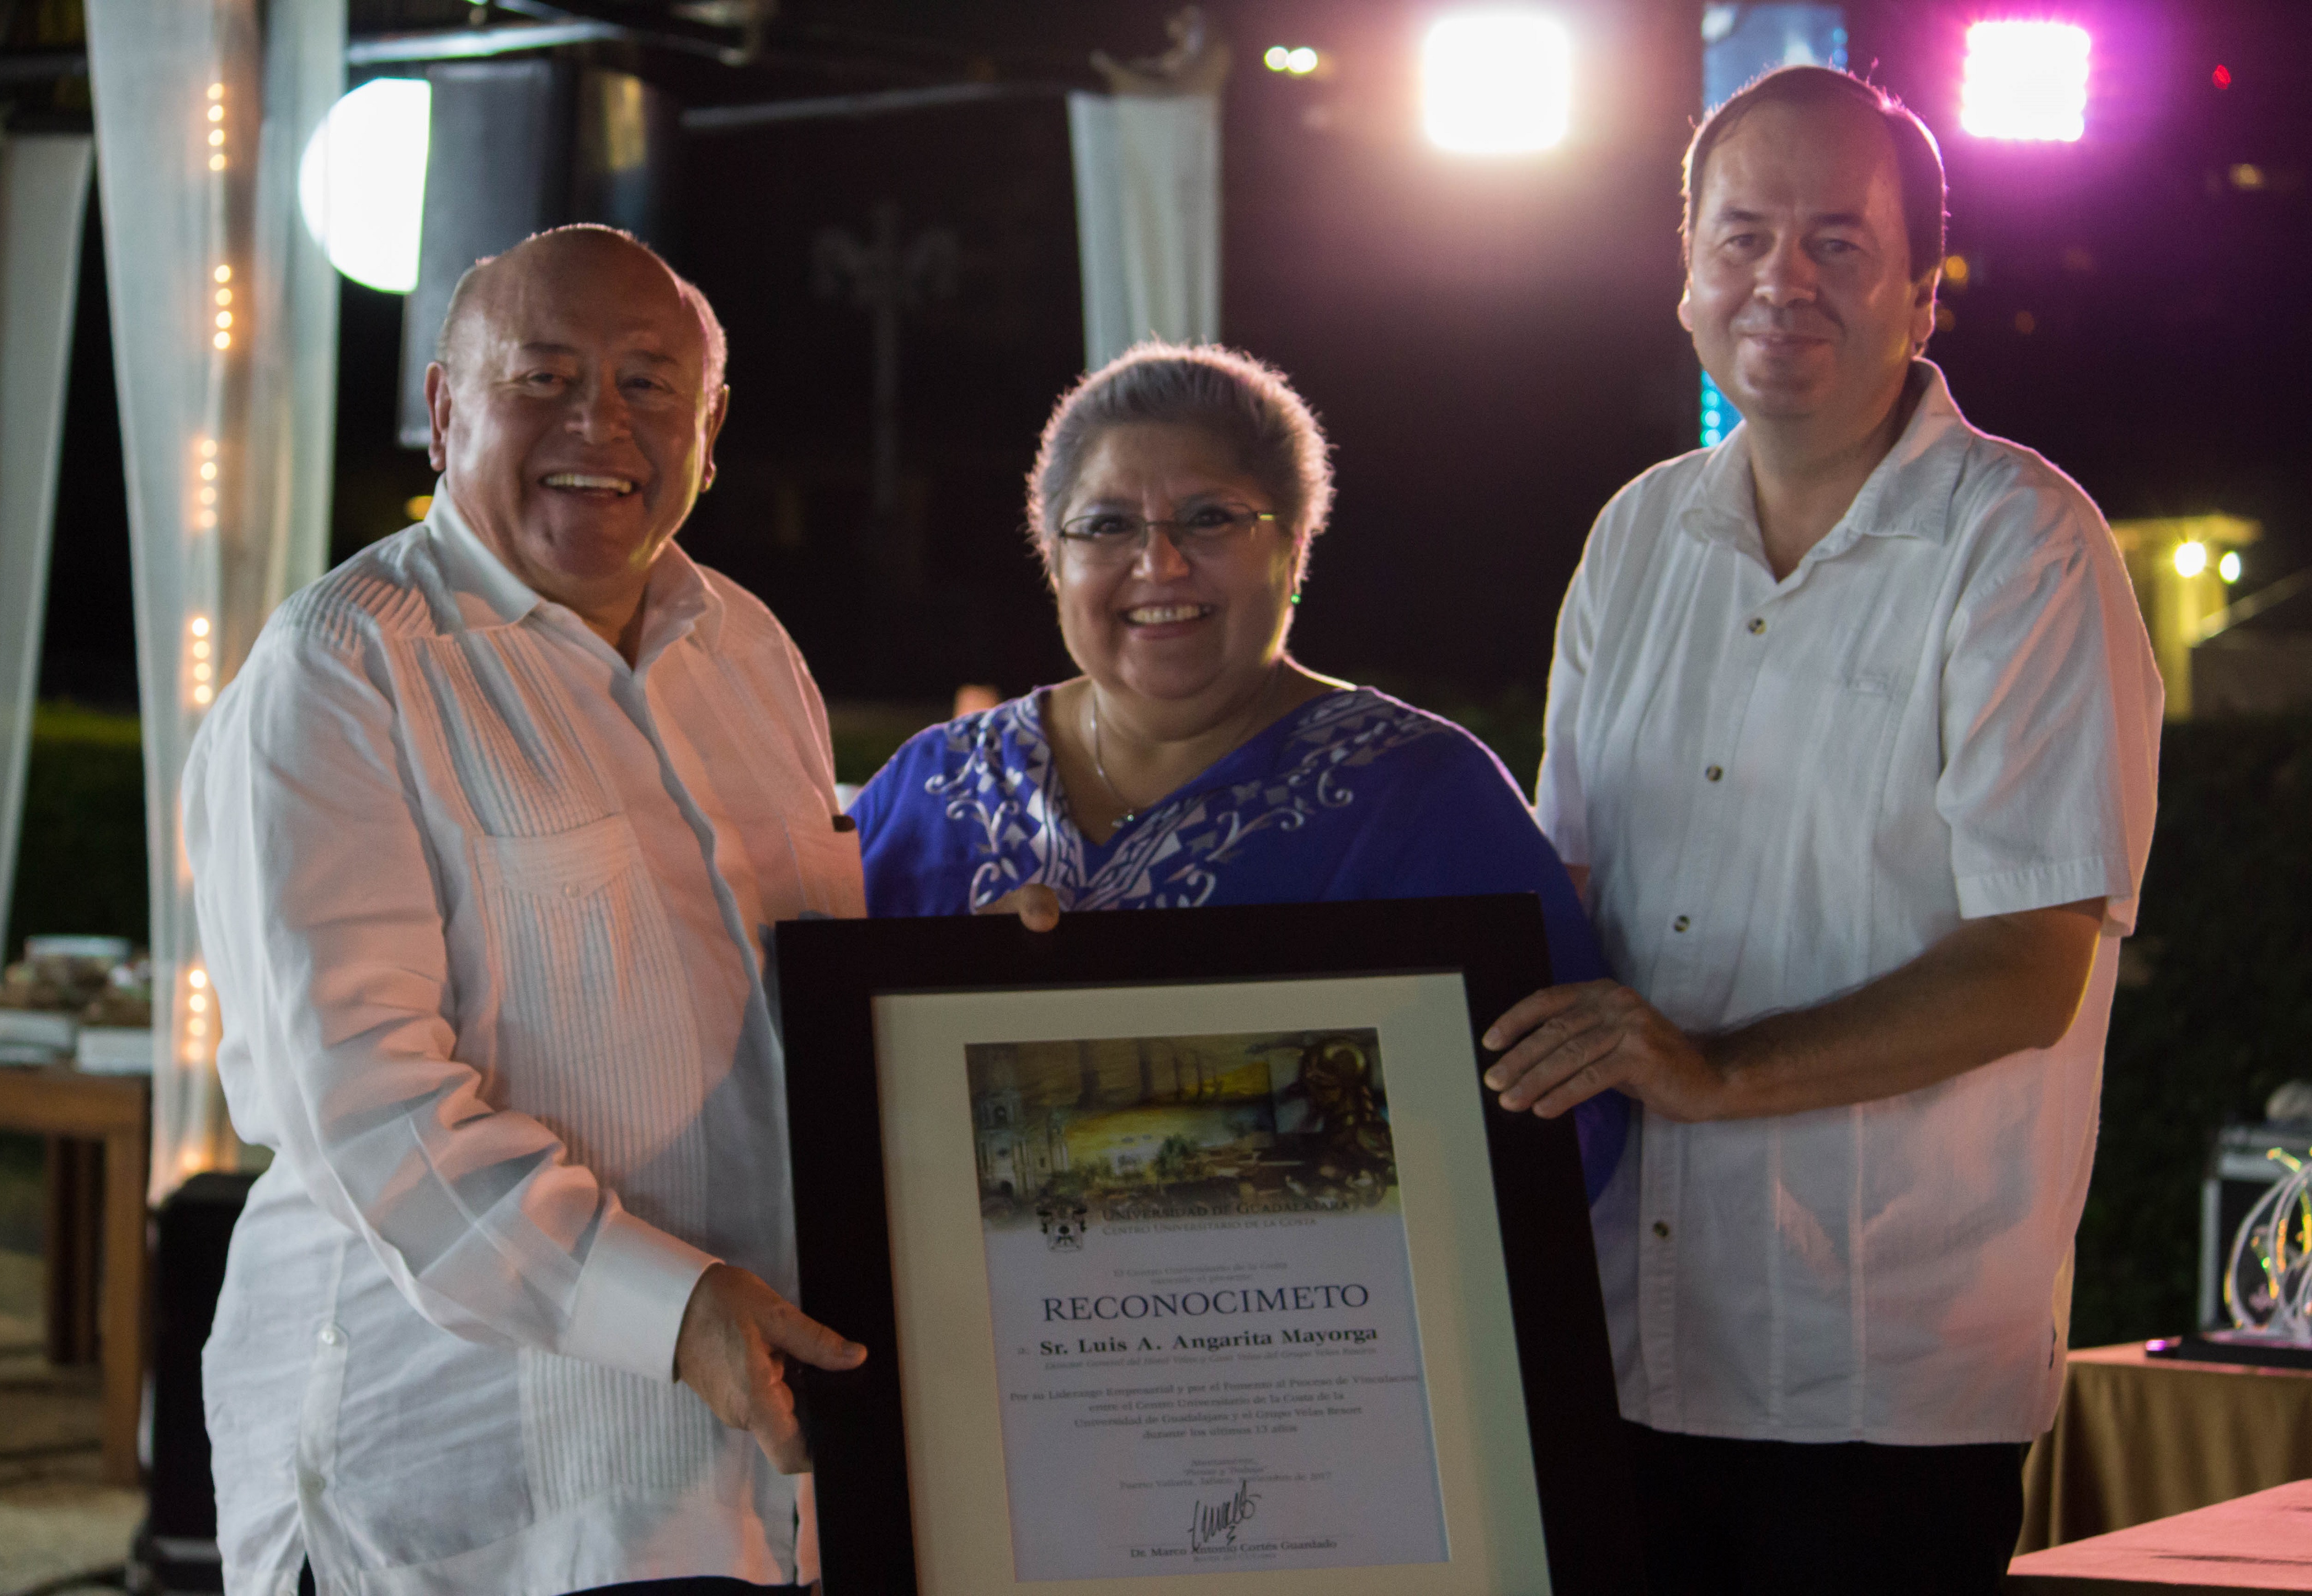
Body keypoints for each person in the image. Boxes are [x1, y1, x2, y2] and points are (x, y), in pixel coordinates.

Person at [1479, 67, 2161, 1592]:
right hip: (1619, 1343)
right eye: (1741, 238)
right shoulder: (1636, 535)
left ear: (1925, 293)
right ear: (1684, 280)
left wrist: (1710, 1073)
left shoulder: (2021, 546)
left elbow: (2027, 966)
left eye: (1837, 244)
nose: (1780, 280)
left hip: (1879, 1378)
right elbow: (1564, 898)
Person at [184, 225, 865, 1595]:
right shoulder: (343, 668)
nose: (596, 423)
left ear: (710, 427)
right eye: (543, 377)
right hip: (480, 1493)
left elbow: (813, 1002)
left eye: (646, 385)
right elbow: (370, 1113)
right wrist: (671, 1317)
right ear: (444, 409)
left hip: (741, 1492)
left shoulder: (748, 648)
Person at [852, 341, 1626, 1198]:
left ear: (1293, 550)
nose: (1159, 565)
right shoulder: (937, 789)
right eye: (1106, 525)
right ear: (1053, 558)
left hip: (1324, 1322)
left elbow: (1568, 1121)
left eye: (1210, 518)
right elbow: (807, 1087)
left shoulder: (1419, 793)